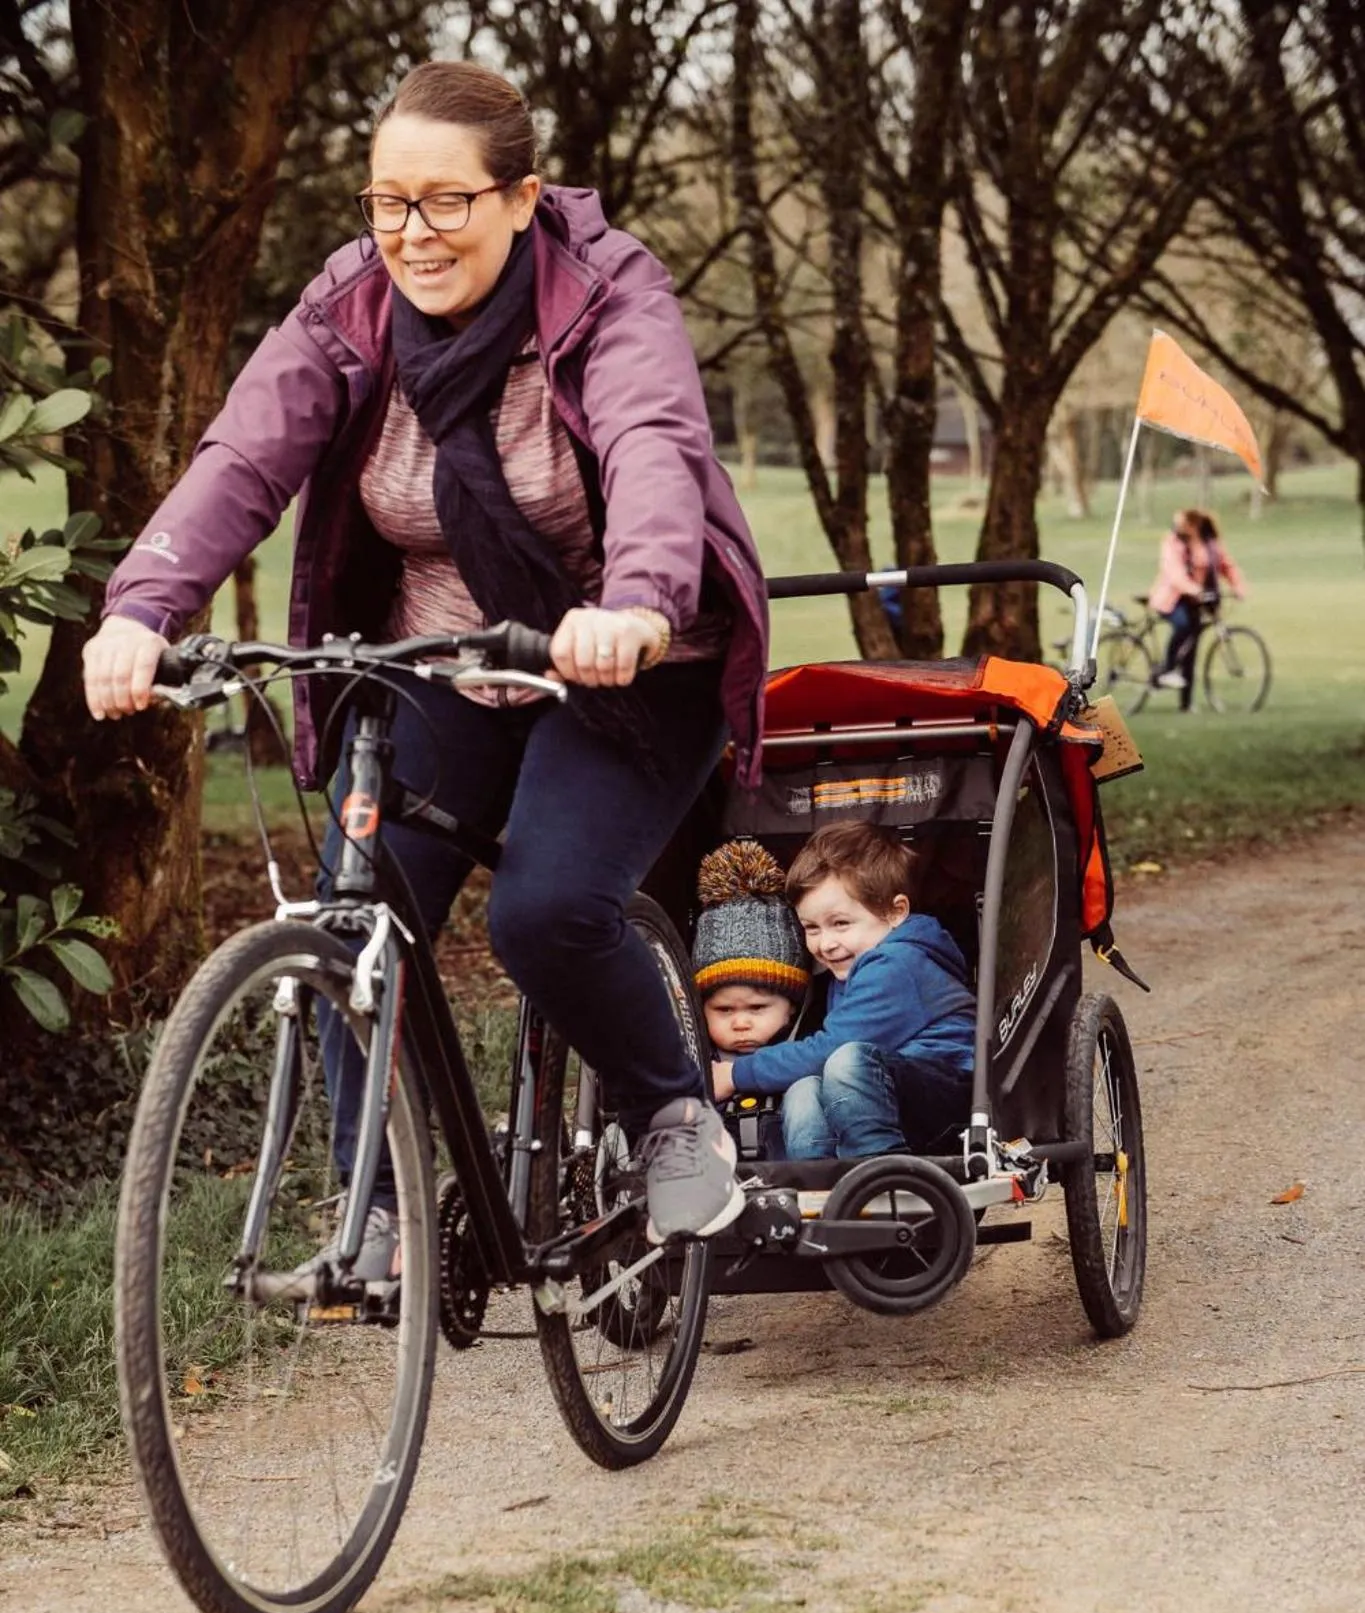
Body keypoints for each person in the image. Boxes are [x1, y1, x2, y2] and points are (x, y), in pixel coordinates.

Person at [81, 59, 769, 1261]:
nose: (414, 232)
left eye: (447, 200)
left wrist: (638, 602)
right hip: (446, 659)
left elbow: (652, 444)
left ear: (522, 196)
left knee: (545, 911)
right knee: (354, 915)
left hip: (627, 663)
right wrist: (144, 607)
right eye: (389, 202)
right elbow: (243, 458)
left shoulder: (608, 294)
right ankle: (380, 1211)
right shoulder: (349, 307)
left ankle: (672, 1110)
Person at [711, 821, 975, 1160]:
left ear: (895, 912)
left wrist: (736, 1074)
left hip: (947, 1099)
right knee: (803, 1089)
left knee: (844, 1062)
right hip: (890, 1093)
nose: (826, 944)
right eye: (812, 928)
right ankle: (817, 1179)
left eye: (840, 923)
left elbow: (831, 1047)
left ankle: (879, 1172)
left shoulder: (897, 964)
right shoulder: (849, 969)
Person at [692, 839, 810, 1161]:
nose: (741, 1022)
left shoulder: (808, 1047)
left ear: (792, 1007)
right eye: (723, 1009)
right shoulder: (694, 1059)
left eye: (757, 1008)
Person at [1148, 506, 1247, 712]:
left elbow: (1227, 566)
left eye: (1183, 524)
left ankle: (1186, 703)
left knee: (1191, 650)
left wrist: (1237, 586)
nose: (1177, 527)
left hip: (1196, 602)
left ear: (1194, 525)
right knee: (1183, 626)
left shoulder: (1210, 544)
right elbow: (1174, 573)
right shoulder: (1172, 542)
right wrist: (1195, 589)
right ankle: (1166, 669)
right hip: (1172, 600)